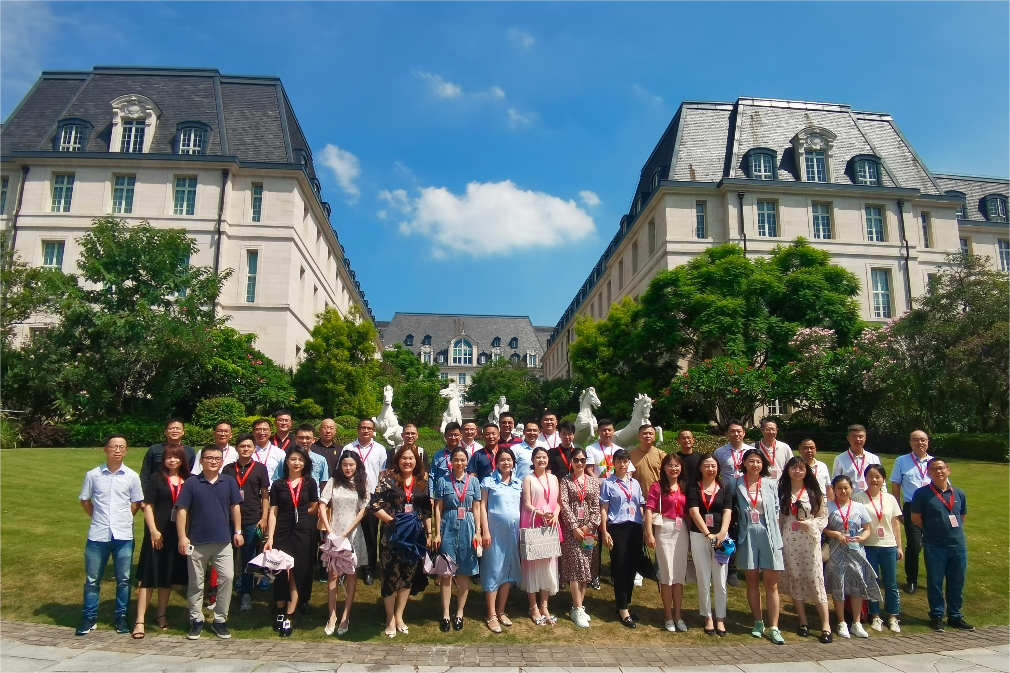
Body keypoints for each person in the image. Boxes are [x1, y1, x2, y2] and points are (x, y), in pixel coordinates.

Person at [76, 434, 144, 637]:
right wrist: (99, 518)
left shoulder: (132, 476)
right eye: (113, 446)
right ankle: (89, 617)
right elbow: (85, 501)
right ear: (105, 449)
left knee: (124, 579)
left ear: (126, 451)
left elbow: (136, 503)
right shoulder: (93, 475)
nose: (117, 450)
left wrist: (122, 519)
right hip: (98, 535)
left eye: (121, 447)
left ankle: (121, 617)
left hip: (123, 536)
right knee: (92, 579)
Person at [175, 444, 244, 640]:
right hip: (197, 542)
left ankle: (220, 620)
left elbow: (235, 507)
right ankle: (196, 620)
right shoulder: (191, 483)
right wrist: (182, 536)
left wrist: (238, 531)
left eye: (217, 458)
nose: (213, 461)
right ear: (201, 460)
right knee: (196, 583)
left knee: (228, 578)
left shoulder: (229, 481)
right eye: (209, 458)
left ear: (221, 461)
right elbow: (182, 510)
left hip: (223, 541)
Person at [370, 445, 432, 638]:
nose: (408, 461)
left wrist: (429, 533)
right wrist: (391, 521)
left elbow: (427, 510)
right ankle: (389, 618)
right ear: (397, 460)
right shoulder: (387, 480)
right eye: (404, 458)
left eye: (411, 458)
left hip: (414, 536)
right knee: (390, 576)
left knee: (407, 576)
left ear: (416, 461)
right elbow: (373, 504)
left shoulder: (422, 482)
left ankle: (399, 616)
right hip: (392, 536)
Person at [134, 444, 191, 638]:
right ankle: (140, 620)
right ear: (163, 459)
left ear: (182, 459)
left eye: (176, 457)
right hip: (157, 534)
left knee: (167, 577)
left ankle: (161, 614)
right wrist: (153, 531)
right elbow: (148, 506)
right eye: (169, 457)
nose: (172, 460)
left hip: (177, 535)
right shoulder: (156, 479)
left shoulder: (188, 481)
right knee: (149, 577)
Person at [911, 458, 972, 632]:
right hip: (935, 545)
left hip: (958, 545)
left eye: (941, 468)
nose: (938, 472)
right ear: (928, 473)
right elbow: (916, 518)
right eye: (934, 469)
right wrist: (932, 531)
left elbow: (961, 518)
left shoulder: (959, 493)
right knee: (935, 582)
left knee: (957, 582)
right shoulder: (922, 494)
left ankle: (955, 616)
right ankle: (937, 616)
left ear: (948, 470)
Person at [265, 445, 320, 637]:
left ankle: (289, 614)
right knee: (281, 570)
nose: (296, 463)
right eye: (293, 459)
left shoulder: (310, 483)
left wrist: (301, 513)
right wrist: (270, 537)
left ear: (305, 463)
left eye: (300, 460)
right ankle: (280, 608)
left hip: (303, 531)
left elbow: (314, 506)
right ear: (286, 461)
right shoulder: (278, 484)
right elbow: (273, 512)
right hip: (282, 530)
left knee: (298, 571)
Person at [733, 449, 786, 644]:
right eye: (751, 461)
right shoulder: (736, 483)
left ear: (763, 465)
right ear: (744, 463)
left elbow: (778, 510)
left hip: (769, 532)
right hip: (747, 533)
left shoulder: (771, 484)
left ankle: (774, 626)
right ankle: (758, 621)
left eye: (758, 462)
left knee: (771, 583)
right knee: (752, 579)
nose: (755, 465)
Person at [777, 456, 831, 644]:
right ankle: (803, 621)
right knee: (796, 578)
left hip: (810, 541)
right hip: (789, 541)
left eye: (801, 468)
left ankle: (826, 625)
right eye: (793, 468)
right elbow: (780, 519)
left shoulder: (815, 493)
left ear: (806, 471)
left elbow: (823, 518)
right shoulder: (782, 492)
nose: (797, 471)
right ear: (788, 470)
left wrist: (810, 524)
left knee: (816, 579)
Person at [824, 475, 881, 639]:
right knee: (839, 586)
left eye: (846, 487)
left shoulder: (859, 507)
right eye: (839, 488)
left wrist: (863, 537)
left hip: (856, 551)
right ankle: (841, 622)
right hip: (836, 551)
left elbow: (867, 528)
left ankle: (856, 623)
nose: (843, 491)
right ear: (834, 490)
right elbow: (823, 529)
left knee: (857, 586)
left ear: (851, 489)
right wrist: (835, 534)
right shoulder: (828, 506)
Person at [319, 450, 368, 636]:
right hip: (334, 533)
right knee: (332, 575)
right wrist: (329, 529)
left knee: (351, 575)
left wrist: (348, 530)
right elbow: (322, 503)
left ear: (357, 466)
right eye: (345, 465)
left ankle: (346, 615)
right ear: (340, 465)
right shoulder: (333, 482)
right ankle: (332, 616)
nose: (348, 468)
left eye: (351, 465)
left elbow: (364, 508)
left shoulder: (362, 483)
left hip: (354, 533)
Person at [433, 447, 482, 632]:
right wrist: (437, 532)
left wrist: (478, 531)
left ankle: (459, 613)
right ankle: (445, 613)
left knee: (464, 573)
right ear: (451, 462)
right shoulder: (443, 481)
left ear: (467, 462)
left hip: (468, 526)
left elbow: (476, 507)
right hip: (448, 525)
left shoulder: (474, 481)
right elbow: (437, 508)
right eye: (456, 460)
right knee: (446, 573)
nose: (459, 463)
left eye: (462, 460)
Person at [222, 433, 269, 612]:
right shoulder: (227, 469)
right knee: (226, 557)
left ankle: (246, 594)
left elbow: (265, 494)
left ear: (254, 448)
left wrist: (263, 517)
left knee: (248, 557)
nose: (246, 449)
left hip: (251, 518)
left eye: (249, 446)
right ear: (237, 448)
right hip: (229, 518)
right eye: (242, 446)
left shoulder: (260, 468)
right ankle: (223, 592)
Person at [854, 464, 903, 633]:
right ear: (865, 478)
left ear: (883, 479)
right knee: (871, 582)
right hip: (868, 546)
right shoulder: (859, 498)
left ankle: (893, 616)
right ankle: (875, 615)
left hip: (888, 545)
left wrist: (899, 546)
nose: (874, 480)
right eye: (870, 477)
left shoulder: (890, 498)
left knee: (891, 583)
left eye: (878, 477)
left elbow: (895, 523)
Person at [687, 454, 732, 637]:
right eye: (706, 465)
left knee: (720, 581)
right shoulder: (693, 487)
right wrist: (707, 534)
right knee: (704, 579)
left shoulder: (725, 488)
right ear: (700, 468)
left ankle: (720, 618)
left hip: (721, 538)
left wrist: (721, 534)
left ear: (718, 468)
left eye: (713, 466)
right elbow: (693, 512)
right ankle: (708, 617)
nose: (710, 469)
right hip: (699, 536)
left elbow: (728, 512)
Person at [600, 449, 645, 628]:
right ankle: (622, 608)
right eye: (619, 461)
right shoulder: (608, 483)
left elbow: (640, 504)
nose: (622, 464)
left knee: (632, 566)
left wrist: (645, 528)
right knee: (620, 565)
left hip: (635, 526)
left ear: (629, 463)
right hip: (617, 527)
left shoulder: (635, 483)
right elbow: (604, 507)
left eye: (625, 461)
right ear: (614, 463)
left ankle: (625, 603)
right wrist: (604, 530)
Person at [645, 453, 690, 633]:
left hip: (682, 530)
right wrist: (649, 533)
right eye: (670, 465)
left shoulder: (685, 487)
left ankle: (678, 615)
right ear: (664, 468)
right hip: (664, 528)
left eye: (677, 465)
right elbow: (649, 510)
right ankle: (668, 616)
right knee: (667, 574)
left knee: (679, 575)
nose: (674, 468)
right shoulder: (657, 487)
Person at [480, 446, 522, 633]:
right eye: (502, 459)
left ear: (513, 463)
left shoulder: (518, 483)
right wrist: (485, 531)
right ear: (497, 462)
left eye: (509, 460)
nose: (506, 462)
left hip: (513, 534)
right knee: (494, 571)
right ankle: (491, 614)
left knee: (508, 572)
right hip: (494, 535)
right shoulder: (489, 481)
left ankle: (501, 610)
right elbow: (482, 507)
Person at [558, 446, 601, 628]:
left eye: (583, 460)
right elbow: (564, 505)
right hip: (572, 531)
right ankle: (577, 606)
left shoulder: (592, 482)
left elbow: (596, 507)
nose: (580, 463)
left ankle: (579, 607)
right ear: (571, 462)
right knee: (576, 567)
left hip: (589, 530)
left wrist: (589, 526)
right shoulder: (566, 481)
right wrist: (575, 527)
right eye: (576, 460)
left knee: (587, 565)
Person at [520, 446, 561, 625]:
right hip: (534, 523)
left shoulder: (553, 478)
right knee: (533, 565)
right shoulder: (528, 479)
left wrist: (556, 514)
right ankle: (533, 606)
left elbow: (558, 502)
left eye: (544, 457)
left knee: (548, 565)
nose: (541, 460)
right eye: (538, 457)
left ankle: (544, 605)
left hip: (551, 524)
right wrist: (540, 513)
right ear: (533, 459)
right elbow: (527, 503)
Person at [345, 418, 387, 586]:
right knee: (350, 532)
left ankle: (368, 569)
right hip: (351, 496)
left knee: (370, 533)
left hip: (372, 498)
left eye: (369, 428)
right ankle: (348, 564)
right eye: (363, 428)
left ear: (373, 430)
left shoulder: (380, 449)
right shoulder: (349, 448)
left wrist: (379, 495)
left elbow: (382, 474)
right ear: (358, 429)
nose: (366, 431)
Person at [891, 430, 933, 595]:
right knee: (914, 545)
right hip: (912, 508)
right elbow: (896, 486)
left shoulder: (934, 462)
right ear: (910, 442)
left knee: (933, 546)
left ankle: (934, 580)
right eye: (916, 440)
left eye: (923, 440)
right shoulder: (901, 461)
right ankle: (912, 581)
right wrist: (898, 509)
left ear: (927, 442)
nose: (920, 443)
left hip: (933, 509)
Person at [140, 419, 195, 491]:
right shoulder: (154, 449)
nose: (175, 431)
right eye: (171, 428)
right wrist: (146, 492)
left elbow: (190, 472)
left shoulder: (189, 451)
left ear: (183, 432)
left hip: (182, 490)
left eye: (178, 428)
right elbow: (145, 473)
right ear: (165, 432)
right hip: (158, 490)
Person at [831, 424, 880, 494]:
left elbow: (881, 481)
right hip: (849, 499)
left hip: (870, 499)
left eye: (861, 437)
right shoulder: (840, 459)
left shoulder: (874, 459)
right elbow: (835, 482)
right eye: (854, 436)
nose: (858, 439)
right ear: (848, 438)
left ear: (865, 438)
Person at [713, 422, 753, 488]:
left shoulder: (751, 451)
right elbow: (715, 473)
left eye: (739, 431)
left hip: (747, 490)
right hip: (727, 491)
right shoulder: (719, 452)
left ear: (744, 433)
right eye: (732, 431)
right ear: (727, 434)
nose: (736, 434)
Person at [429, 422, 462, 498]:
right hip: (443, 495)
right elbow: (432, 477)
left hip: (462, 493)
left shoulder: (466, 455)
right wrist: (430, 496)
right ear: (445, 436)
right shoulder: (438, 456)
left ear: (461, 436)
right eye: (450, 435)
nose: (453, 437)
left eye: (456, 435)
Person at [630, 424, 664, 496]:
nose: (648, 436)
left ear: (655, 436)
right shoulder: (630, 454)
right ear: (639, 436)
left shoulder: (661, 455)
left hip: (656, 496)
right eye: (644, 433)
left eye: (651, 434)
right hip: (636, 495)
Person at [251, 418, 285, 487]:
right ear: (253, 432)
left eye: (265, 429)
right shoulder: (247, 452)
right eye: (258, 429)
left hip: (273, 492)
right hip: (253, 493)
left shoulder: (279, 453)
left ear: (270, 432)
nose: (262, 432)